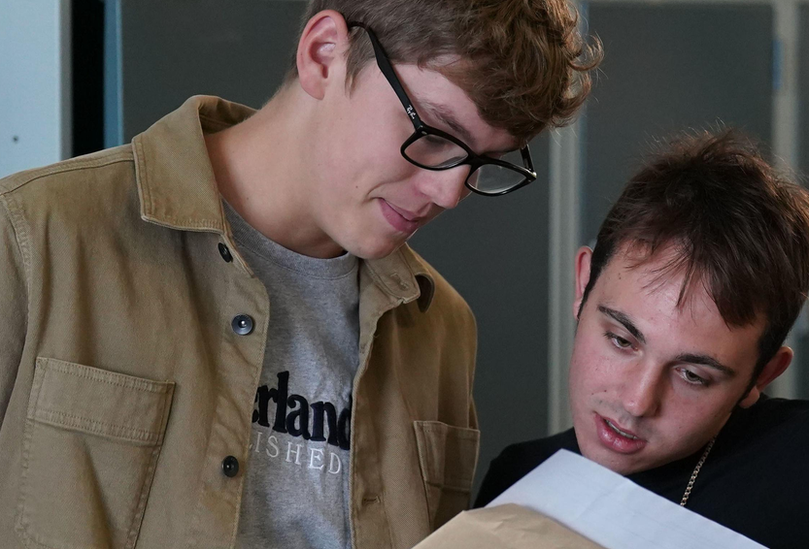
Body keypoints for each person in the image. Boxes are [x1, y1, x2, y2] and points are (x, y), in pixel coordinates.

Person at [0, 1, 600, 548]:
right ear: (324, 54)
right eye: (434, 134)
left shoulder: (441, 328)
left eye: (480, 162)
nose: (448, 192)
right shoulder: (31, 237)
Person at [474, 130, 809, 548]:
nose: (636, 401)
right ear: (583, 285)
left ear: (762, 375)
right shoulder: (520, 479)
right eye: (622, 340)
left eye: (693, 375)